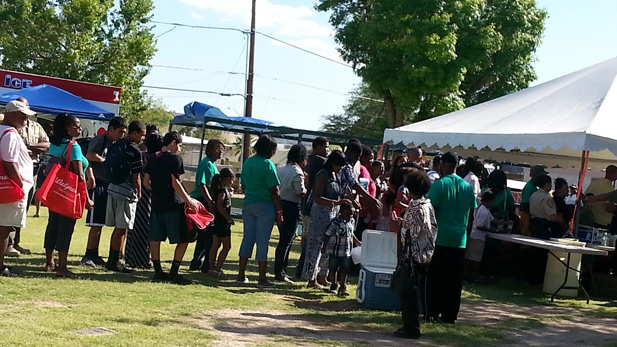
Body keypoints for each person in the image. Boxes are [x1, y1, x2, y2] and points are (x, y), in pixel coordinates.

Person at [425, 152, 476, 324]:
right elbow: (471, 216)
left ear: (442, 165)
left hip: (439, 239)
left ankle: (431, 311)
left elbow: (429, 211)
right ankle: (450, 315)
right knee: (454, 282)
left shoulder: (439, 185)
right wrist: (466, 238)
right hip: (459, 240)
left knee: (435, 278)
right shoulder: (467, 187)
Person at [144, 131, 198, 285]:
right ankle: (174, 271)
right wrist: (189, 201)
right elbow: (176, 182)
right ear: (173, 143)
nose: (179, 149)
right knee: (185, 237)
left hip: (156, 203)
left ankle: (158, 271)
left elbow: (146, 181)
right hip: (173, 204)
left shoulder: (153, 158)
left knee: (155, 237)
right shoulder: (175, 158)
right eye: (179, 145)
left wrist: (157, 190)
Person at [44, 114, 94, 278]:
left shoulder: (54, 144)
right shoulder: (74, 147)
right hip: (69, 193)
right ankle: (62, 267)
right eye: (77, 126)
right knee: (66, 229)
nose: (80, 129)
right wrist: (86, 197)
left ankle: (49, 262)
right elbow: (79, 175)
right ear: (67, 128)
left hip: (54, 190)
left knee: (52, 225)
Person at [393, 170, 437, 339]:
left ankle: (411, 327)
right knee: (411, 292)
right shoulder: (427, 205)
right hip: (424, 254)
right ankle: (410, 325)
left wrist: (400, 226)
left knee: (408, 293)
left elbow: (414, 231)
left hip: (414, 256)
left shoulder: (417, 208)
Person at [236, 135, 283, 288]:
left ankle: (241, 274)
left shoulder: (248, 161)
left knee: (247, 239)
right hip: (265, 206)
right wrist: (279, 211)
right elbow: (274, 190)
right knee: (262, 242)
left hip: (248, 203)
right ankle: (262, 278)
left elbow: (243, 185)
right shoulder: (268, 165)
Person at [6, 97, 49, 258]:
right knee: (10, 206)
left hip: (32, 169)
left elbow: (46, 145)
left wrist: (28, 147)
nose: (25, 115)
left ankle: (16, 241)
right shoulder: (11, 127)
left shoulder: (36, 126)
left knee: (23, 208)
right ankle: (8, 243)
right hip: (13, 170)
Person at [82, 117, 127, 266]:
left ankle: (95, 254)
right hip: (99, 184)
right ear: (111, 129)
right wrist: (100, 165)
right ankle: (88, 254)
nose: (121, 135)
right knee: (96, 221)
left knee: (102, 221)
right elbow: (88, 155)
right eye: (119, 131)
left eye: (124, 132)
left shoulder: (118, 144)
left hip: (110, 185)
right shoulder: (101, 140)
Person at [302, 150, 349, 289]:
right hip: (320, 214)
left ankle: (322, 276)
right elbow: (317, 197)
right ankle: (311, 279)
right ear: (333, 163)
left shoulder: (336, 175)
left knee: (328, 246)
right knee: (315, 247)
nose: (340, 168)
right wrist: (336, 203)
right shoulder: (323, 174)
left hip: (332, 214)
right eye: (339, 165)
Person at [104, 120, 146, 273]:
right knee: (122, 228)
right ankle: (113, 262)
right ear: (134, 133)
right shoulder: (135, 152)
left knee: (118, 228)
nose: (142, 138)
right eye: (141, 135)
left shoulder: (115, 145)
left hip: (112, 188)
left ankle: (113, 259)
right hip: (126, 192)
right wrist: (139, 192)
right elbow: (136, 177)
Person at [0, 100, 35, 276]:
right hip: (9, 187)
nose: (26, 121)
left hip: (4, 185)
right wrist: (20, 184)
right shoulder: (10, 133)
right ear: (12, 115)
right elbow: (9, 163)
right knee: (5, 227)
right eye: (23, 117)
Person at [125, 133, 163, 269]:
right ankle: (141, 259)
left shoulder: (139, 155)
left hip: (135, 193)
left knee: (133, 226)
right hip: (148, 196)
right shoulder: (156, 160)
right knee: (145, 227)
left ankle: (130, 257)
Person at [189, 139, 225, 272]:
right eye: (217, 148)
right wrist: (210, 202)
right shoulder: (205, 164)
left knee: (207, 235)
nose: (220, 151)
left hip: (208, 199)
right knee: (206, 234)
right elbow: (201, 184)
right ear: (209, 150)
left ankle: (199, 262)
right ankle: (200, 263)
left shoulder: (213, 165)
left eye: (221, 149)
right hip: (202, 199)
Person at [296, 136, 328, 279]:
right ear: (318, 147)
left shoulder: (308, 160)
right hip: (311, 205)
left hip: (305, 204)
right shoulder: (319, 161)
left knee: (306, 237)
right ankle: (304, 269)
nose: (327, 150)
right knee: (310, 240)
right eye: (326, 147)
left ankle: (303, 268)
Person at [274, 144, 307, 283]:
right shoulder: (298, 172)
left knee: (283, 239)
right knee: (286, 241)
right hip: (291, 207)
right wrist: (306, 184)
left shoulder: (281, 170)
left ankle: (280, 269)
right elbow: (300, 192)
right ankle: (280, 271)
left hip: (280, 205)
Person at [528, 174, 563, 284]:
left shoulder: (533, 195)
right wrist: (560, 218)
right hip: (543, 226)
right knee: (542, 254)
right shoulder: (546, 198)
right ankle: (539, 280)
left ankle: (531, 278)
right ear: (547, 185)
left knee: (533, 252)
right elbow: (552, 216)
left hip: (533, 224)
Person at [464, 191, 505, 282]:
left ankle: (468, 275)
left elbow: (493, 220)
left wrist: (505, 223)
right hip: (478, 237)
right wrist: (494, 230)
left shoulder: (483, 209)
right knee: (475, 259)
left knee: (469, 257)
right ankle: (472, 276)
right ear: (490, 200)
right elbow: (480, 225)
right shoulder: (484, 212)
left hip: (473, 236)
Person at [321, 201, 359, 296]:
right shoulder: (335, 222)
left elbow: (351, 233)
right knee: (333, 268)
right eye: (348, 213)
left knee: (345, 269)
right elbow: (327, 234)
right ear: (341, 211)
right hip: (335, 250)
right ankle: (333, 284)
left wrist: (357, 241)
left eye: (352, 214)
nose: (350, 216)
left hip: (346, 251)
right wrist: (324, 246)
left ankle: (342, 286)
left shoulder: (352, 221)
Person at [207, 168, 235, 277]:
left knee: (215, 244)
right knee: (227, 246)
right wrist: (228, 218)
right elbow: (220, 205)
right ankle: (217, 268)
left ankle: (211, 267)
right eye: (232, 180)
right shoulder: (222, 191)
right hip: (222, 222)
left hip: (216, 220)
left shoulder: (219, 189)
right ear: (227, 179)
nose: (232, 182)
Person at [520, 165, 549, 236]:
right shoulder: (529, 187)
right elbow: (524, 205)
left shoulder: (534, 187)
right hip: (528, 219)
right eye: (542, 175)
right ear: (537, 175)